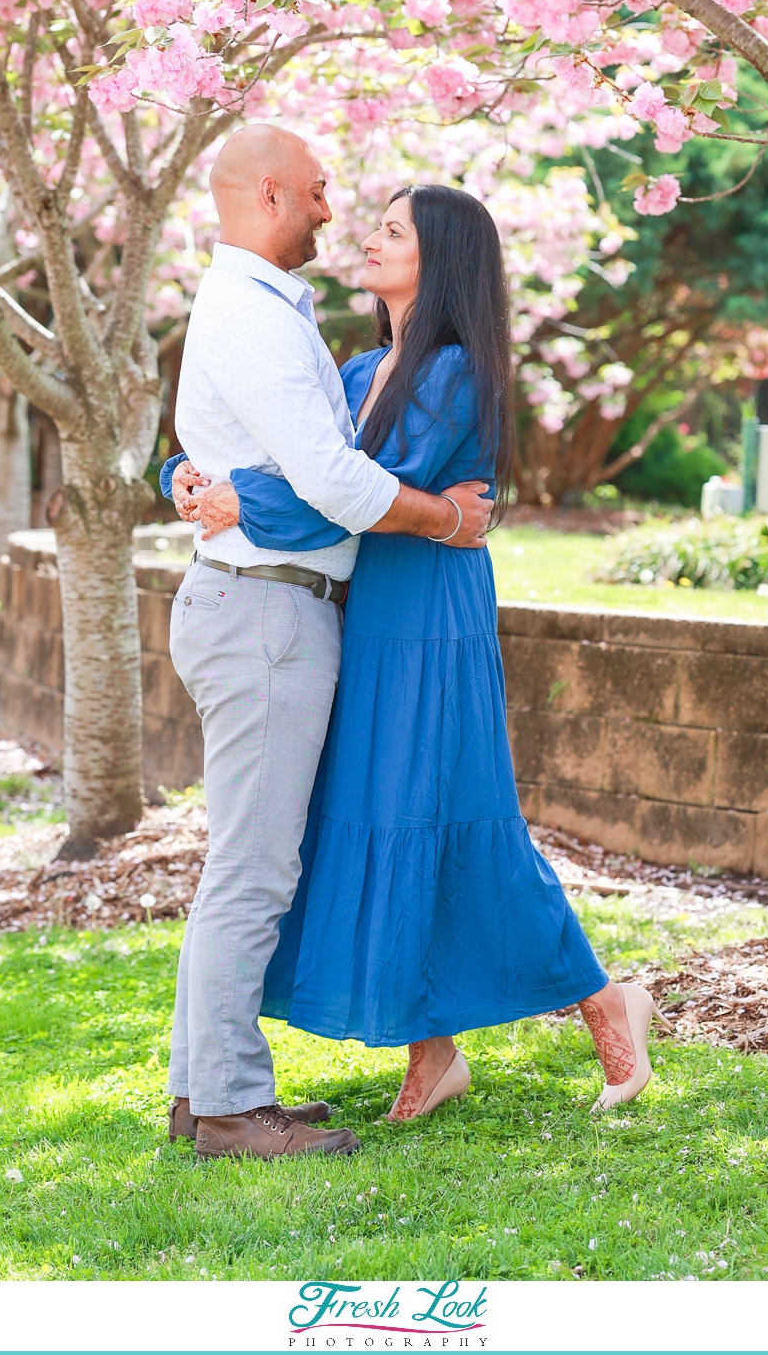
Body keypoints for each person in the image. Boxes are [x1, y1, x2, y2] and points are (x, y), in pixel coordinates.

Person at [175, 184, 665, 1123]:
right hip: (364, 608)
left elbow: (352, 492)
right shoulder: (357, 367)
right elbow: (292, 462)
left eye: (393, 230)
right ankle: (432, 1051)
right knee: (381, 810)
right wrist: (191, 475)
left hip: (430, 613)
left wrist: (245, 504)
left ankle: (609, 1002)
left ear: (439, 261)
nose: (368, 235)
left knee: (455, 813)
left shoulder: (453, 373)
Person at [162, 128, 493, 1163]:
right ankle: (226, 1107)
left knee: (248, 862)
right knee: (253, 869)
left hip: (266, 601)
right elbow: (333, 481)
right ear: (270, 193)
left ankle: (203, 1092)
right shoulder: (256, 316)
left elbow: (268, 457)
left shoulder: (262, 309)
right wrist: (446, 517)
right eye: (315, 193)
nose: (329, 211)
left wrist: (195, 472)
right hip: (263, 610)